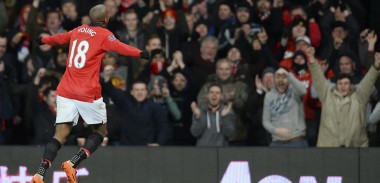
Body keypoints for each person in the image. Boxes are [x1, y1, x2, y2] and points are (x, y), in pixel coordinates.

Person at [31, 4, 150, 183]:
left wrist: (43, 41)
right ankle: (72, 163)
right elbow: (120, 47)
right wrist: (141, 53)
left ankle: (39, 174)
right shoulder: (104, 35)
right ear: (106, 19)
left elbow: (58, 39)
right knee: (101, 131)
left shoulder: (78, 30)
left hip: (66, 89)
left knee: (60, 135)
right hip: (87, 92)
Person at [307, 46, 380, 147]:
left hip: (356, 149)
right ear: (336, 85)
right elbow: (318, 79)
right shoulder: (327, 96)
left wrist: (375, 66)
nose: (343, 86)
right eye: (340, 83)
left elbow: (369, 81)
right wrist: (311, 60)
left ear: (351, 86)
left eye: (346, 83)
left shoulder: (359, 97)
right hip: (328, 148)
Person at [262, 67, 308, 147]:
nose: (281, 80)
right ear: (274, 80)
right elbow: (265, 121)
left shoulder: (295, 90)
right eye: (278, 77)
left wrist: (289, 75)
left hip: (297, 140)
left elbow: (303, 91)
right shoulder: (269, 96)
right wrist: (276, 131)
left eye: (284, 77)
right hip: (277, 142)